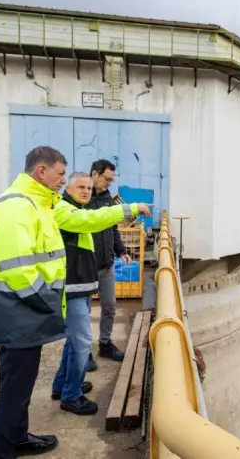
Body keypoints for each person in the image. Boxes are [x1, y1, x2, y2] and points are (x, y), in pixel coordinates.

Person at [0, 146, 148, 458]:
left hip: (24, 312)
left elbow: (90, 219)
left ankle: (17, 436)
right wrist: (49, 303)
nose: (62, 181)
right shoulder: (17, 207)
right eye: (60, 175)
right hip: (18, 311)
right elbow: (19, 270)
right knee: (14, 389)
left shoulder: (43, 204)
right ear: (41, 172)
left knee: (20, 385)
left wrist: (125, 210)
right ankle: (0, 452)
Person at [51, 172, 151, 416]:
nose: (85, 191)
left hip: (81, 284)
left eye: (87, 187)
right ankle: (71, 395)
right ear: (69, 189)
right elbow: (93, 220)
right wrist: (130, 209)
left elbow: (98, 224)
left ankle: (62, 385)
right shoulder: (66, 210)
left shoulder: (74, 209)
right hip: (72, 286)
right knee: (82, 342)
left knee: (74, 340)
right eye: (80, 187)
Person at [85, 159, 131, 371]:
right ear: (95, 174)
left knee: (110, 305)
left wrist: (121, 251)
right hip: (85, 265)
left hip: (106, 263)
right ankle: (84, 352)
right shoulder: (82, 197)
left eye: (112, 180)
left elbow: (113, 229)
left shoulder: (106, 199)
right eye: (107, 179)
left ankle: (105, 344)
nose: (109, 184)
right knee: (83, 311)